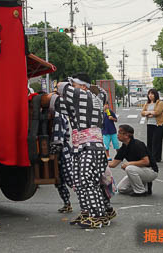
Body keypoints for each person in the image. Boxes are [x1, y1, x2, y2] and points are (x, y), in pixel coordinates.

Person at [56, 73, 113, 229]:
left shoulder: (85, 96)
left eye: (74, 84)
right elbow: (58, 104)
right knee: (81, 182)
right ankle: (91, 212)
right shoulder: (90, 98)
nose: (72, 87)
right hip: (83, 146)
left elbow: (61, 87)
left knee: (87, 181)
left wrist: (63, 86)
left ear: (82, 87)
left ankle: (97, 216)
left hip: (90, 146)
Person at [108, 124, 159, 196]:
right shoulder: (123, 147)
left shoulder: (137, 144)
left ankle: (140, 191)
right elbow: (113, 164)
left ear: (126, 135)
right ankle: (143, 186)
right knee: (121, 188)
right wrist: (99, 162)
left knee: (129, 168)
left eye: (119, 132)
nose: (117, 135)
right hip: (139, 170)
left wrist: (129, 163)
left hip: (151, 171)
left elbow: (146, 161)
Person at [50, 95, 75, 213]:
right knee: (59, 180)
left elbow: (58, 139)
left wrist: (52, 153)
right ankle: (67, 204)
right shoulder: (58, 114)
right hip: (62, 150)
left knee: (69, 178)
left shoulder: (57, 116)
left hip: (62, 151)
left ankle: (86, 205)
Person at [141, 89, 163, 163]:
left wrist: (148, 113)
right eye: (149, 94)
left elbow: (157, 112)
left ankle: (156, 157)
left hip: (158, 124)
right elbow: (142, 113)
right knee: (150, 142)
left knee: (156, 141)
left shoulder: (160, 103)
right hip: (150, 124)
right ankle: (150, 157)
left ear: (155, 95)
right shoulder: (147, 103)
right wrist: (150, 113)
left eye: (152, 94)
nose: (150, 95)